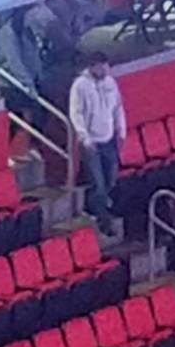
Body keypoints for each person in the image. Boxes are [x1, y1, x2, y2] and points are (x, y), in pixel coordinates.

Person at [68, 51, 125, 231]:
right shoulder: (80, 86)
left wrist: (121, 130)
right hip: (91, 141)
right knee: (98, 183)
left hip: (109, 139)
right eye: (100, 66)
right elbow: (76, 113)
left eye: (106, 65)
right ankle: (103, 222)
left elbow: (118, 108)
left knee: (111, 179)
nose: (104, 69)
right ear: (92, 66)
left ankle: (94, 206)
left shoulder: (110, 83)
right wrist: (84, 137)